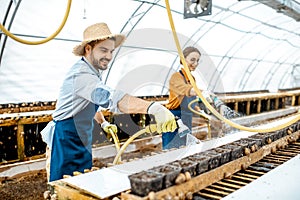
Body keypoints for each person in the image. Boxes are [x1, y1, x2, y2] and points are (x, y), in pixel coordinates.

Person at [41, 22, 176, 182]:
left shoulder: (93, 71)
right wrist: (153, 108)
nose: (109, 56)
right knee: (65, 184)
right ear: (88, 49)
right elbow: (112, 98)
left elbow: (89, 102)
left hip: (80, 135)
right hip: (67, 137)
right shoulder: (81, 75)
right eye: (103, 50)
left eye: (111, 51)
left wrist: (103, 122)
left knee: (81, 180)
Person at [163, 46, 239, 149]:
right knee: (171, 151)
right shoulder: (176, 77)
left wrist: (206, 115)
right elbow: (187, 90)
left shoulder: (192, 78)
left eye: (197, 61)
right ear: (183, 59)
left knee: (183, 150)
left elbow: (192, 102)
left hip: (186, 118)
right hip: (174, 118)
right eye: (192, 60)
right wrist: (203, 92)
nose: (195, 64)